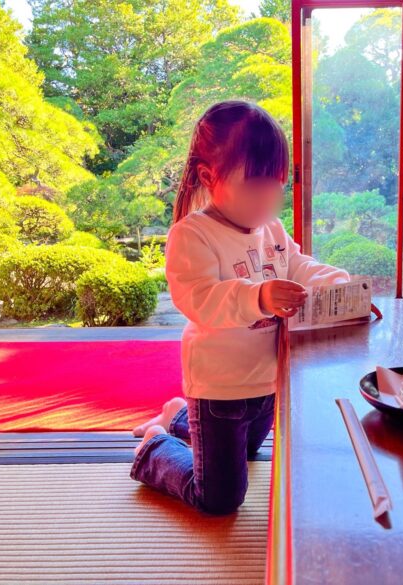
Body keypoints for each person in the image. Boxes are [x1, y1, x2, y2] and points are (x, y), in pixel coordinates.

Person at [130, 99, 350, 515]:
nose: (269, 197)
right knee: (219, 497)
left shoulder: (271, 229)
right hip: (219, 386)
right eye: (254, 183)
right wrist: (258, 297)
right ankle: (155, 446)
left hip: (268, 380)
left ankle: (177, 415)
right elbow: (199, 299)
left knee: (247, 451)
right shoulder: (192, 235)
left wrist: (337, 284)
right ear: (208, 177)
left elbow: (297, 265)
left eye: (276, 183)